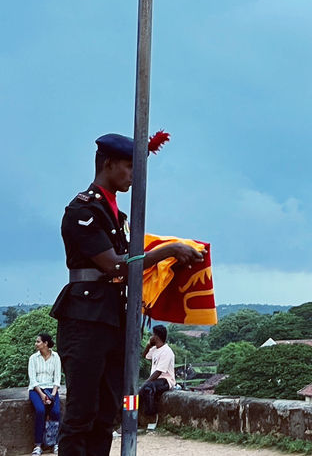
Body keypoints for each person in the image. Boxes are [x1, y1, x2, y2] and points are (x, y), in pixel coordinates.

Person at [51, 132, 204, 456]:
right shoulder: (83, 210)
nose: (134, 176)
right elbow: (115, 267)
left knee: (107, 413)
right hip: (86, 318)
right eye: (129, 167)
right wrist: (167, 250)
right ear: (109, 164)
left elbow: (133, 264)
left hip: (114, 320)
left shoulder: (118, 217)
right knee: (81, 414)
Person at [28, 332, 61, 456]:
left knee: (56, 412)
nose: (36, 344)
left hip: (51, 389)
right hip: (36, 390)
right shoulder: (33, 358)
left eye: (38, 341)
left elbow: (57, 378)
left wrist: (52, 395)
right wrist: (42, 395)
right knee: (40, 411)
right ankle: (38, 445)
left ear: (45, 343)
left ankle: (54, 443)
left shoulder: (56, 357)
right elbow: (33, 380)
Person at [139, 324, 175, 430]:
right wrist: (149, 345)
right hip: (156, 380)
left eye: (153, 335)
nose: (151, 337)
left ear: (157, 336)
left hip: (166, 380)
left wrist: (146, 382)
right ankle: (136, 419)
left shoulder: (167, 351)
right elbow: (144, 355)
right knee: (144, 390)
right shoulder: (155, 349)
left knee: (147, 388)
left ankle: (152, 417)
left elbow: (159, 372)